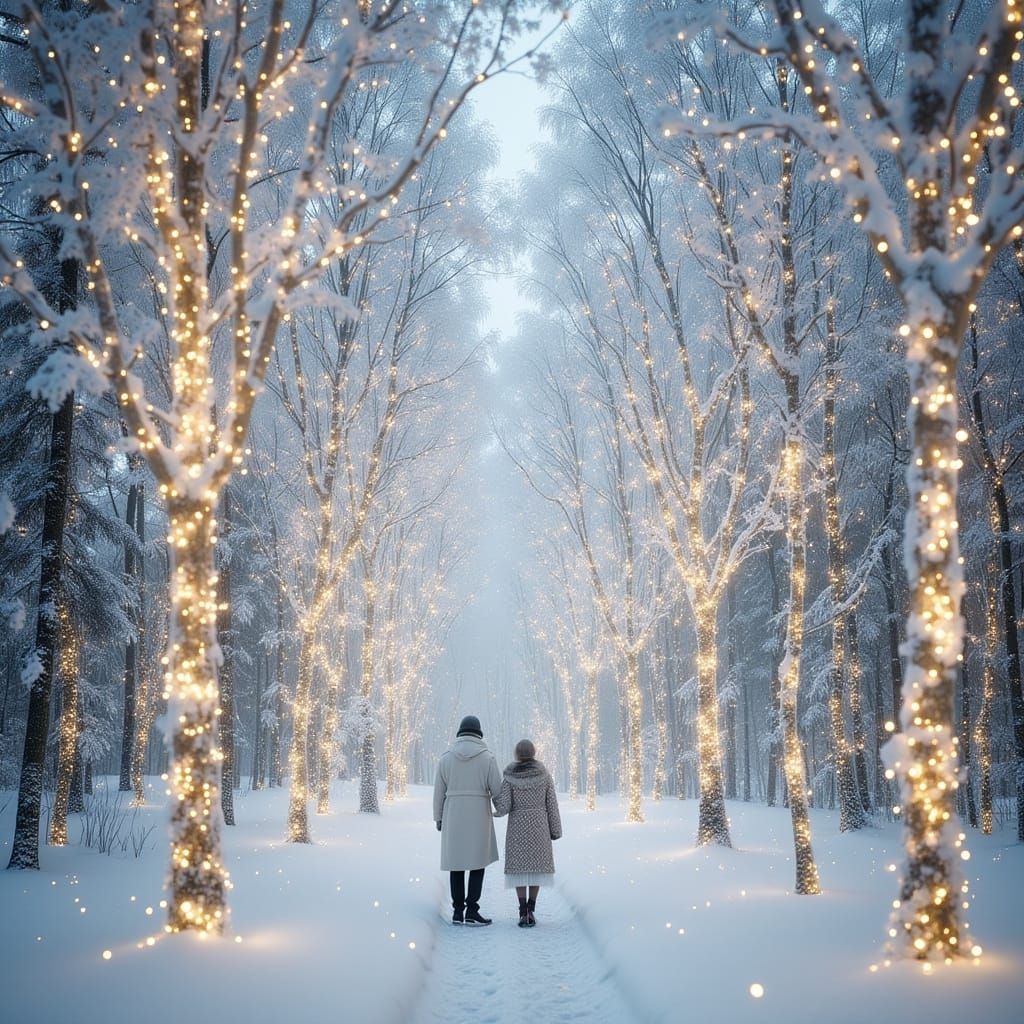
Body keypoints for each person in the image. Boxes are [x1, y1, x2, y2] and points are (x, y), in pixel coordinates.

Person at [433, 715, 503, 926]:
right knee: (477, 862)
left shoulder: (446, 758)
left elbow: (439, 792)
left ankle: (457, 911)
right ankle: (472, 910)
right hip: (478, 815)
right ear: (479, 733)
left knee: (456, 863)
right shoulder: (488, 758)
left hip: (453, 813)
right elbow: (497, 790)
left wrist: (438, 817)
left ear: (460, 733)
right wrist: (501, 809)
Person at [492, 738, 562, 928]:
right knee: (536, 869)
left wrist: (494, 804)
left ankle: (523, 911)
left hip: (517, 827)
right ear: (533, 753)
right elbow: (552, 805)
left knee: (520, 870)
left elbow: (504, 806)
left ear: (516, 754)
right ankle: (531, 910)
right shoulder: (545, 775)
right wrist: (555, 830)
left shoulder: (509, 777)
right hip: (539, 825)